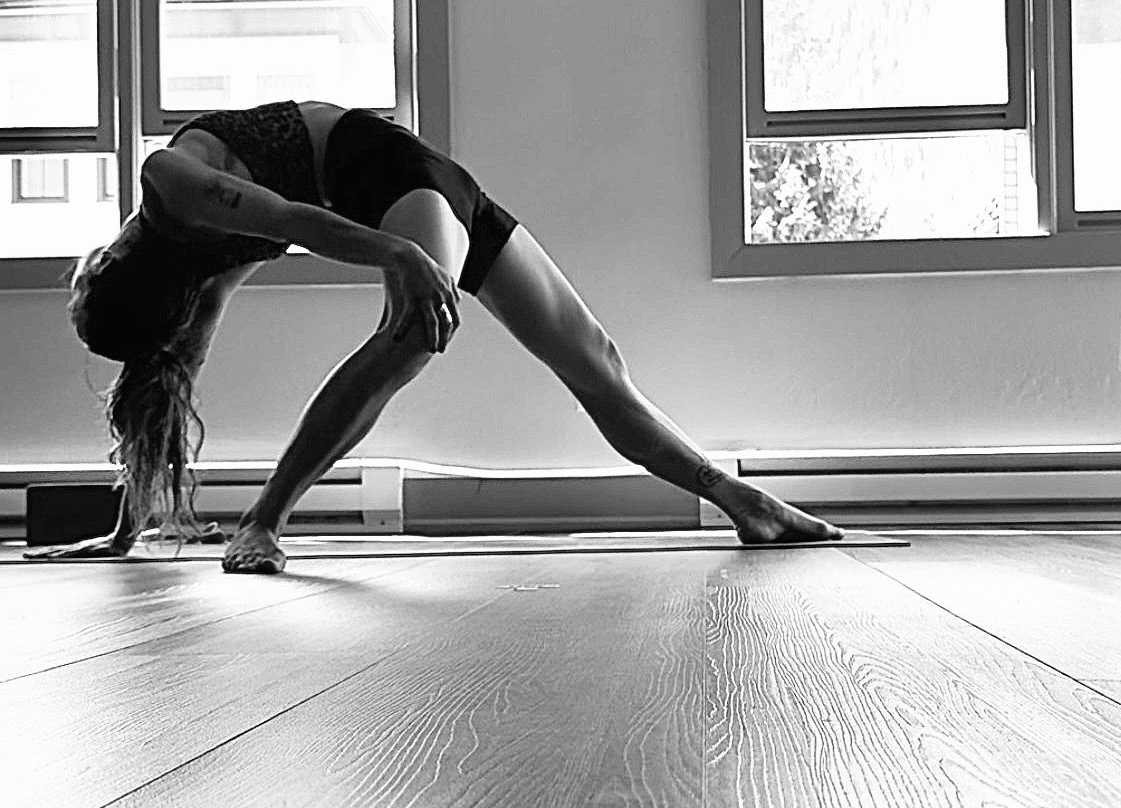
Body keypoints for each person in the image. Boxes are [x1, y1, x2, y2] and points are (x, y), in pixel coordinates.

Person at [25, 99, 843, 574]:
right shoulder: (201, 277)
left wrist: (399, 254)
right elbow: (170, 385)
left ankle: (263, 521)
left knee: (591, 360)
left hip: (390, 178)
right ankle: (746, 500)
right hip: (419, 199)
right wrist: (125, 530)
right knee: (424, 335)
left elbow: (293, 218)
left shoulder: (167, 182)